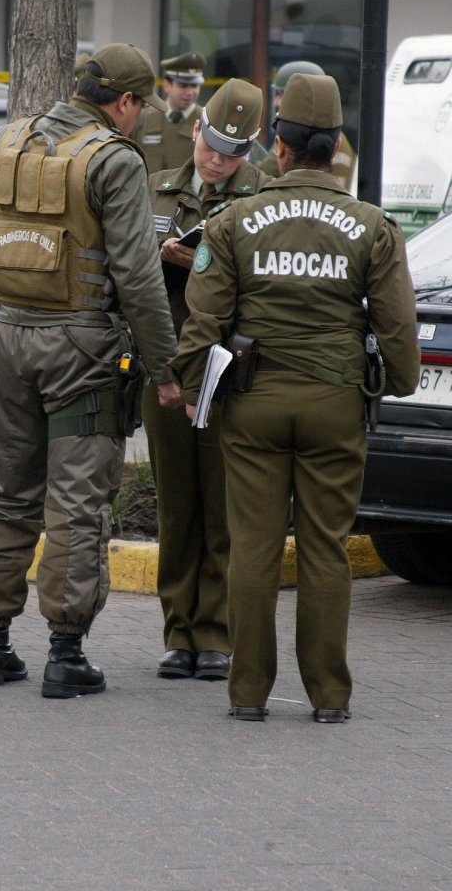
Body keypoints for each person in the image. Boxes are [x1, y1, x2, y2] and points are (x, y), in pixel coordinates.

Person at [170, 73, 420, 723]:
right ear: (335, 144)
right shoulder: (371, 227)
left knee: (252, 545)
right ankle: (329, 697)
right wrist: (395, 383)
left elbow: (203, 319)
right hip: (336, 403)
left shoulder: (233, 222)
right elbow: (397, 331)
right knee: (325, 546)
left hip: (253, 403)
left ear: (277, 148)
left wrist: (194, 391)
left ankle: (248, 692)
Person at [0, 43, 182, 699]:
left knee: (8, 490)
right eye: (141, 107)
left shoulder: (6, 144)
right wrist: (166, 366)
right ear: (125, 102)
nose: (139, 120)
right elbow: (139, 276)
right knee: (77, 501)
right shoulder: (113, 160)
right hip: (83, 351)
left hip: (7, 340)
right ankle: (65, 652)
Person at [144, 79, 271, 683]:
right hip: (168, 362)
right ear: (196, 130)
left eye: (232, 152)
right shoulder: (158, 187)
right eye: (211, 145)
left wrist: (196, 261)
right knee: (177, 506)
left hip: (229, 368)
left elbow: (265, 288)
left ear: (253, 150)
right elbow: (126, 273)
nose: (217, 160)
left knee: (222, 506)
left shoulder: (262, 199)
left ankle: (215, 633)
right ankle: (178, 631)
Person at [258, 60, 357, 192]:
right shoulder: (339, 139)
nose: (276, 102)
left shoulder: (293, 140)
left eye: (282, 95)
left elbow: (259, 176)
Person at [132, 52, 206, 175]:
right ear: (167, 86)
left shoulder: (206, 122)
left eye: (194, 86)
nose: (189, 92)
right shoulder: (143, 118)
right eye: (183, 86)